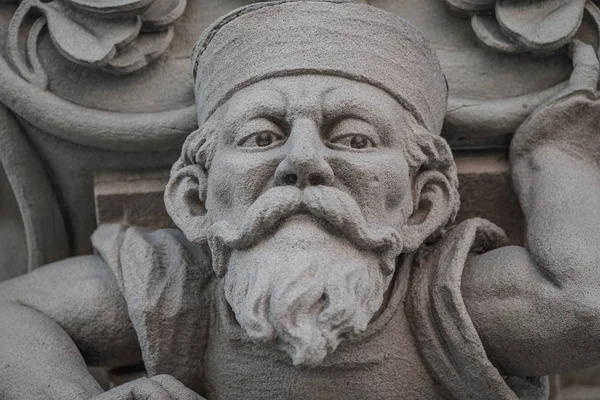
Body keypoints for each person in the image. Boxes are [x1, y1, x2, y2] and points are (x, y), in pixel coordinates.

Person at [1, 1, 600, 399]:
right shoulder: (181, 291)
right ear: (194, 201)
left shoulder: (434, 299)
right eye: (262, 137)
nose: (303, 160)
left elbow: (586, 305)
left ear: (424, 205)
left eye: (355, 139)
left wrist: (554, 156)